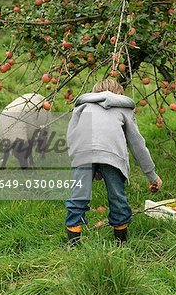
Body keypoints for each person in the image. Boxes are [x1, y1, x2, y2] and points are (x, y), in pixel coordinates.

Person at [65, 79, 162, 245]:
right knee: (117, 196)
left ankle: (73, 244)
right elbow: (137, 144)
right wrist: (151, 175)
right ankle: (121, 242)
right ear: (120, 95)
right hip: (112, 154)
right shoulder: (124, 109)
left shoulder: (82, 106)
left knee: (78, 196)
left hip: (82, 153)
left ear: (94, 93)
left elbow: (71, 136)